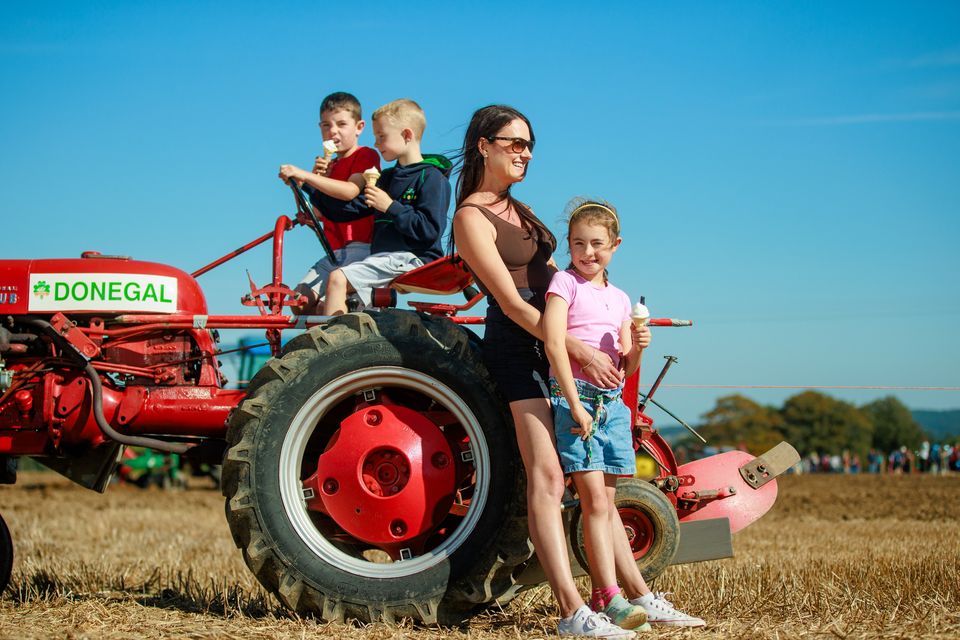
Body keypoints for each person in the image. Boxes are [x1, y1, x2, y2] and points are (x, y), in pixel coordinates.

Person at [452, 105, 703, 639]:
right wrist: (578, 351)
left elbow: (566, 281)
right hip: (521, 352)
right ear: (483, 146)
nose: (524, 152)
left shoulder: (517, 209)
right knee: (547, 477)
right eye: (512, 142)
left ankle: (634, 597)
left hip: (558, 348)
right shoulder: (472, 216)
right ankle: (571, 612)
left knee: (600, 489)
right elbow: (515, 306)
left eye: (529, 144)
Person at [543, 198, 704, 632]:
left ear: (615, 245)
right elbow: (554, 344)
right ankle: (609, 595)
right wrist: (573, 404)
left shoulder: (619, 299)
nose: (587, 252)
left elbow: (625, 368)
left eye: (597, 244)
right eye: (578, 243)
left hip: (611, 405)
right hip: (577, 398)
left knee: (607, 503)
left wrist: (638, 348)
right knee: (594, 502)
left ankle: (607, 593)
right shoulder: (564, 284)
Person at [322, 98, 451, 315]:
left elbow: (429, 231)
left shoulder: (431, 178)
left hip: (414, 258)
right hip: (382, 259)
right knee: (329, 305)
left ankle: (329, 349)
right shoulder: (386, 178)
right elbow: (346, 212)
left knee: (337, 279)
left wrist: (390, 206)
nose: (376, 143)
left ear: (407, 135)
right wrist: (311, 184)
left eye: (381, 136)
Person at [278, 91, 381, 314]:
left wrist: (306, 176)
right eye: (326, 125)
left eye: (341, 124)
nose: (333, 131)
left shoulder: (366, 155)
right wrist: (304, 183)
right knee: (300, 302)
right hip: (334, 249)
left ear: (359, 127)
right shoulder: (329, 166)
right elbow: (318, 213)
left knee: (330, 305)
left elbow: (350, 192)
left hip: (361, 248)